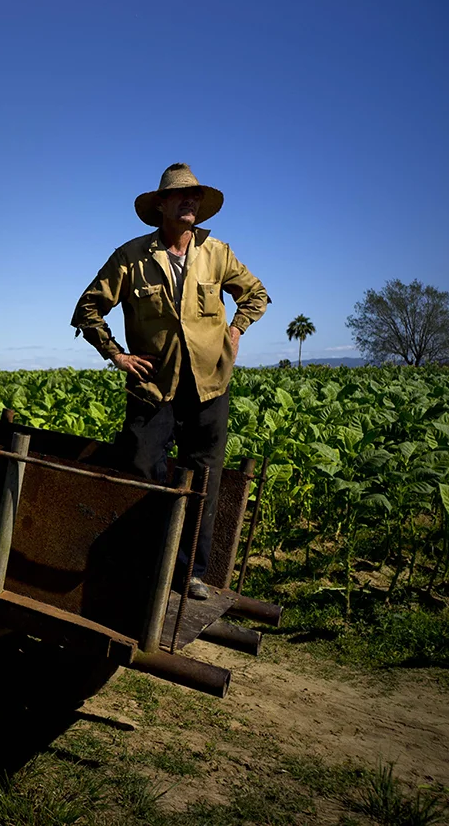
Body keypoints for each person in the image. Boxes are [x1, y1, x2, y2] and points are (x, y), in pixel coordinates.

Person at [71, 163, 269, 599]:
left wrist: (236, 329)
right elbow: (87, 308)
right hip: (153, 387)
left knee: (204, 480)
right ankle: (145, 564)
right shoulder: (132, 257)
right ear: (160, 204)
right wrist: (117, 355)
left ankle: (190, 574)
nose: (189, 202)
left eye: (194, 196)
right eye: (180, 195)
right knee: (141, 469)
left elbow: (256, 293)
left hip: (209, 386)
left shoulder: (217, 253)